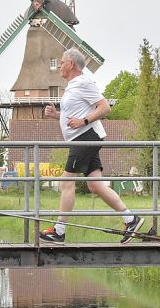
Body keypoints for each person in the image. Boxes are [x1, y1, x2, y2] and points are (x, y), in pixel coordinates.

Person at [38, 48, 144, 244]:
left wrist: (84, 121)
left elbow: (105, 107)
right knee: (95, 185)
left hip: (85, 137)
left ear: (71, 64)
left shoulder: (84, 82)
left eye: (62, 62)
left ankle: (59, 231)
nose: (59, 66)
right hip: (82, 137)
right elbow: (75, 116)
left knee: (66, 182)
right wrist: (57, 116)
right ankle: (131, 219)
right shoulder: (73, 86)